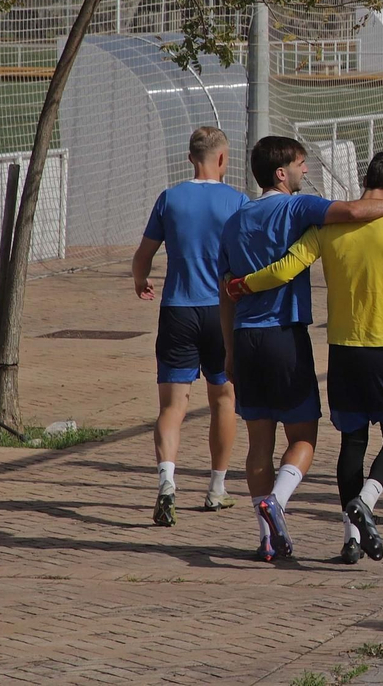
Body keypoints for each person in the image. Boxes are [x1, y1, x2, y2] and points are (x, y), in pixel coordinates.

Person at [218, 135, 383, 562]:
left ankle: (267, 538)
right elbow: (352, 211)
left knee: (258, 442)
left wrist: (228, 351)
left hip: (244, 336)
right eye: (300, 164)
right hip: (284, 335)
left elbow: (225, 292)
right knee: (303, 438)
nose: (305, 171)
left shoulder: (235, 220)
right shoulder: (297, 207)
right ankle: (277, 500)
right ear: (282, 173)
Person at [131, 126, 248, 525]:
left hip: (177, 309)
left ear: (189, 158)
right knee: (224, 400)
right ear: (221, 159)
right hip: (222, 310)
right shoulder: (236, 200)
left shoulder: (170, 199)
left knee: (171, 406)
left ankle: (167, 482)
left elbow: (142, 255)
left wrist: (140, 279)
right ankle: (217, 488)